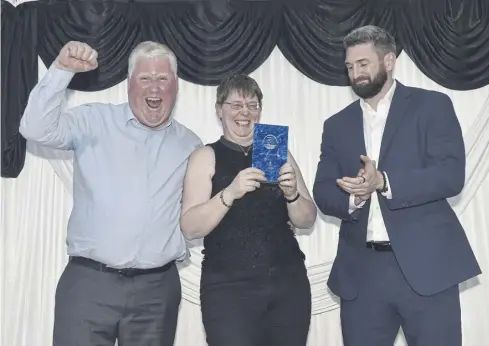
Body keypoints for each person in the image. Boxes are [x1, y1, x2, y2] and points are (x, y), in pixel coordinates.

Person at [19, 41, 202, 346]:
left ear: (176, 86)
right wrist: (62, 71)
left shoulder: (191, 144)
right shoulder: (93, 120)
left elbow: (197, 209)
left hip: (156, 292)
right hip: (89, 286)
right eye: (144, 78)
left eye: (162, 79)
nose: (153, 87)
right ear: (129, 84)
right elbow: (34, 128)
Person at [313, 25, 481, 346]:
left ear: (389, 61)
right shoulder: (336, 125)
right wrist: (354, 198)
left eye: (363, 64)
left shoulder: (432, 106)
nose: (356, 73)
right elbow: (323, 191)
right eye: (350, 67)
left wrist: (384, 181)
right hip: (361, 276)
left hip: (428, 268)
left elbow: (450, 174)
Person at [180, 74, 317, 346]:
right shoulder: (205, 156)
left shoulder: (277, 151)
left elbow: (308, 218)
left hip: (288, 284)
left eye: (253, 105)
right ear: (219, 110)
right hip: (228, 289)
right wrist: (230, 192)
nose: (245, 112)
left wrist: (292, 196)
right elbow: (190, 227)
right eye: (236, 105)